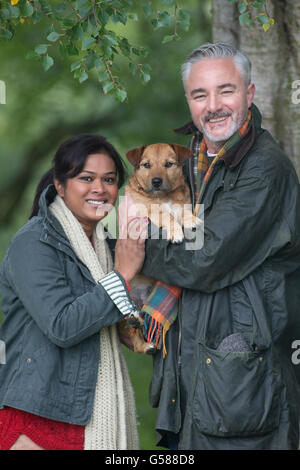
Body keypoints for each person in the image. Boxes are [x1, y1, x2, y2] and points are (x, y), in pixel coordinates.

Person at [140, 43, 300, 450]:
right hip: (193, 380)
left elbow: (204, 256)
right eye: (200, 94)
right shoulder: (191, 162)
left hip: (244, 388)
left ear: (249, 94)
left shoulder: (263, 169)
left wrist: (137, 248)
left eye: (225, 90)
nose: (213, 106)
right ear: (189, 102)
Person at [0, 134, 146, 450]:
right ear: (61, 185)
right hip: (36, 419)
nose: (100, 189)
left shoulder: (106, 247)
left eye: (109, 180)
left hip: (87, 415)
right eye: (86, 178)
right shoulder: (34, 242)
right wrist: (121, 276)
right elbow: (62, 326)